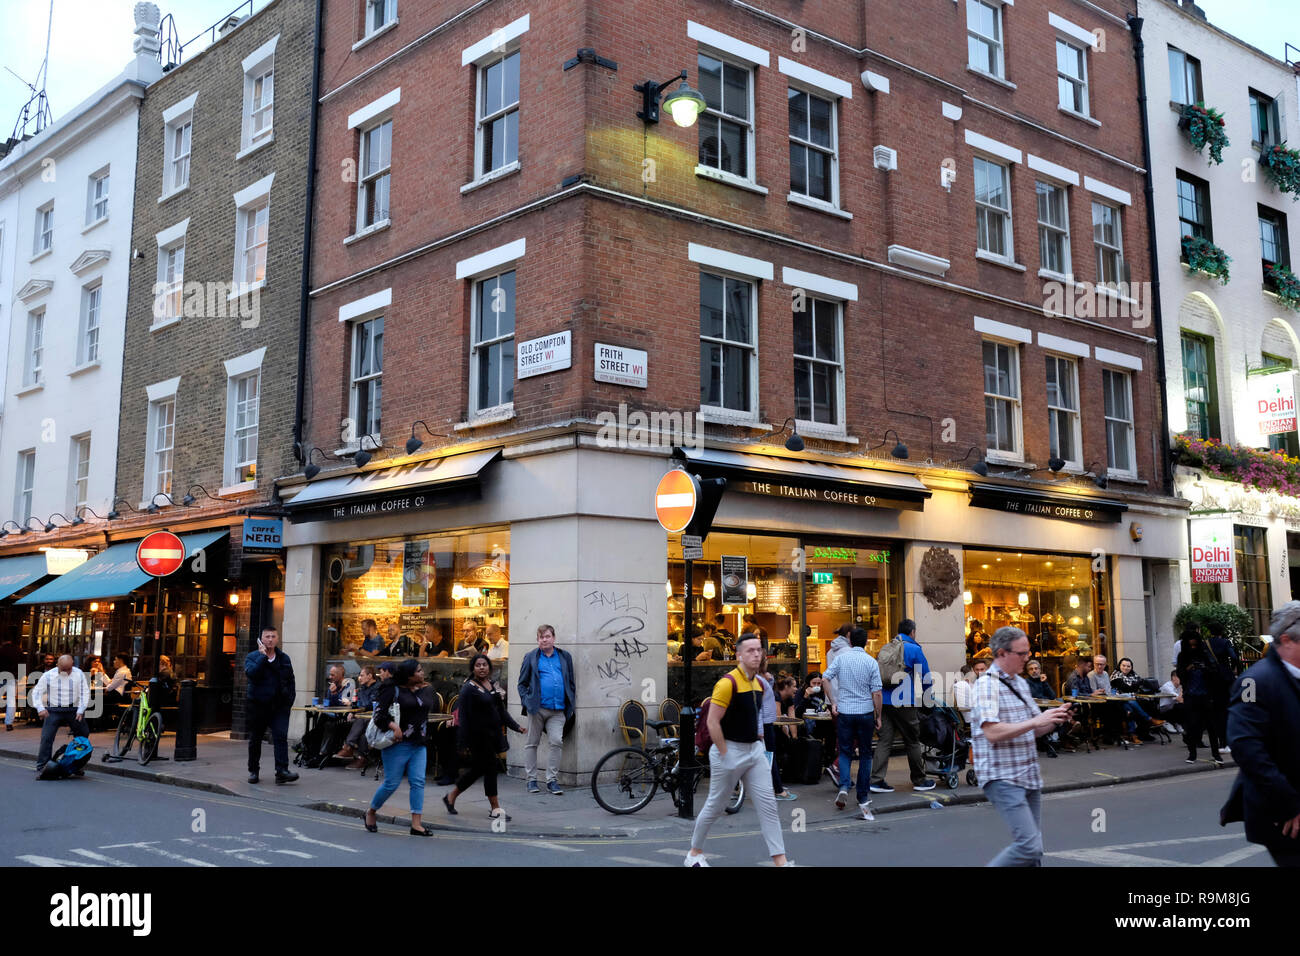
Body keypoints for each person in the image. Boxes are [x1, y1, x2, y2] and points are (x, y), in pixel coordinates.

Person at [684, 633, 790, 866]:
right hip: (728, 749)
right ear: (738, 654)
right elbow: (712, 722)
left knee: (768, 806)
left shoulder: (760, 684)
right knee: (716, 805)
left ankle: (781, 861)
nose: (755, 654)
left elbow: (758, 716)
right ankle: (693, 853)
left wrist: (758, 737)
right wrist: (725, 753)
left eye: (758, 650)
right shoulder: (726, 683)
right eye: (750, 650)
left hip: (754, 750)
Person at [972, 627, 1072, 866]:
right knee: (1028, 846)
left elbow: (1035, 729)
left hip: (1028, 775)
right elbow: (992, 732)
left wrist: (1055, 718)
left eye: (1028, 652)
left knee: (1033, 851)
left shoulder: (1021, 684)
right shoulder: (987, 685)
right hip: (1002, 776)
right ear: (1001, 653)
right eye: (1022, 653)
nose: (1027, 658)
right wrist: (1035, 721)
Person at [1220, 600, 1300, 866]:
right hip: (1283, 814)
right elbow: (1246, 746)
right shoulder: (1253, 682)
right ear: (1287, 640)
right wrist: (1288, 804)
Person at [442, 654, 526, 820]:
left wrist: (516, 726)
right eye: (478, 665)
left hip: (492, 735)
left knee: (477, 770)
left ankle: (450, 797)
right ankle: (495, 808)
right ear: (473, 669)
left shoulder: (491, 685)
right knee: (490, 769)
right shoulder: (468, 688)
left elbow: (501, 711)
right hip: (477, 737)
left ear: (489, 667)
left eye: (484, 665)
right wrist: (462, 742)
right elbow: (463, 717)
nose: (481, 667)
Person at [364, 659, 435, 836]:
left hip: (419, 743)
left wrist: (421, 691)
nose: (422, 673)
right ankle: (371, 812)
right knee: (391, 784)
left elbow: (426, 710)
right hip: (397, 744)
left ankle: (416, 824)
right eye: (418, 671)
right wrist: (394, 727)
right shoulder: (392, 690)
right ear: (409, 675)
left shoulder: (424, 689)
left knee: (418, 782)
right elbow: (379, 716)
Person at [823, 627, 883, 820]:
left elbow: (825, 678)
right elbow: (877, 693)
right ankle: (863, 795)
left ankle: (844, 786)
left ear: (850, 642)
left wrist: (833, 702)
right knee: (866, 754)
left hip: (845, 712)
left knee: (845, 752)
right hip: (865, 712)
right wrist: (878, 716)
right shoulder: (871, 662)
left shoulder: (841, 659)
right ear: (865, 642)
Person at [870, 619, 935, 794]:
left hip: (883, 700)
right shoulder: (914, 649)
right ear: (912, 632)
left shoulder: (887, 648)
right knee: (912, 740)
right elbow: (926, 676)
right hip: (905, 700)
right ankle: (919, 780)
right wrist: (929, 699)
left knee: (884, 740)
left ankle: (876, 781)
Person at [516, 624, 575, 794]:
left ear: (553, 638)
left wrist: (570, 701)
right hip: (537, 709)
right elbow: (522, 684)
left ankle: (552, 780)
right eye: (541, 637)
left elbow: (571, 682)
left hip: (558, 710)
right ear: (538, 640)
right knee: (531, 743)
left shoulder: (565, 657)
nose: (544, 640)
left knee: (556, 741)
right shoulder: (531, 657)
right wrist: (528, 702)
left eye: (547, 636)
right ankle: (532, 780)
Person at [244, 627, 299, 785]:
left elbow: (290, 680)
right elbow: (252, 674)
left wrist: (289, 701)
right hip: (258, 705)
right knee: (255, 739)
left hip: (279, 706)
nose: (270, 639)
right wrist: (262, 657)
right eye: (267, 636)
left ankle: (281, 771)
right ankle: (253, 771)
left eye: (273, 636)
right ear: (261, 639)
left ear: (277, 639)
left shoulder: (284, 658)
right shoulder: (252, 657)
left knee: (280, 737)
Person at [31, 655, 91, 777]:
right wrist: (40, 708)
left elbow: (85, 692)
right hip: (53, 709)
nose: (66, 672)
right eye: (63, 669)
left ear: (72, 665)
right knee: (47, 737)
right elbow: (36, 692)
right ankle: (43, 765)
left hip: (73, 709)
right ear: (57, 665)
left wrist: (81, 710)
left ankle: (75, 764)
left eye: (69, 669)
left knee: (83, 734)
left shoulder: (79, 674)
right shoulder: (48, 675)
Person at [1177, 629, 1223, 766]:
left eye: (1194, 644)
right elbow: (1180, 673)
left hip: (1206, 694)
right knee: (1191, 726)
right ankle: (1192, 754)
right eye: (1190, 644)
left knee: (1212, 726)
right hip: (1191, 694)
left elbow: (1215, 670)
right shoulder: (1183, 656)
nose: (1192, 646)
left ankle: (1216, 754)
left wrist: (1204, 668)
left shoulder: (1204, 653)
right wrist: (1188, 668)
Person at [757, 660, 796, 802]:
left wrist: (771, 678)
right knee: (769, 756)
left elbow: (768, 693)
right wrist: (760, 728)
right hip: (765, 724)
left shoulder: (762, 679)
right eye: (765, 659)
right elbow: (760, 704)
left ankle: (737, 788)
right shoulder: (758, 680)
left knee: (756, 756)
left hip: (766, 722)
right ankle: (778, 790)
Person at [336, 664, 380, 767]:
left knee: (361, 721)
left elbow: (371, 705)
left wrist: (357, 711)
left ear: (370, 676)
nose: (359, 678)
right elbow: (359, 703)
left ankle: (349, 748)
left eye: (362, 675)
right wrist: (353, 711)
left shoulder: (378, 687)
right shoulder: (362, 688)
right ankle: (351, 752)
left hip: (373, 718)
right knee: (337, 724)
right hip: (362, 717)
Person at [1206, 622, 1239, 753]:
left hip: (1212, 680)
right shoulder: (1225, 642)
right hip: (1225, 678)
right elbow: (1234, 657)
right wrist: (1233, 669)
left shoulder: (1206, 643)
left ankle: (1221, 743)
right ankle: (1229, 742)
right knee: (1227, 709)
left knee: (1216, 712)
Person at [0, 635, 20, 730]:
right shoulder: (17, 650)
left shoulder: (1, 650)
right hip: (13, 676)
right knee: (11, 700)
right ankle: (9, 723)